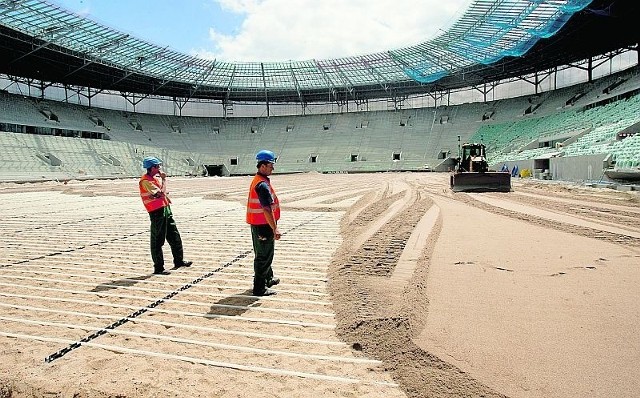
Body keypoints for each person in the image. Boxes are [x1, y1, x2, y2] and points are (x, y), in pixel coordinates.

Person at [139, 156, 192, 275]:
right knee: (157, 240)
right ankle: (158, 267)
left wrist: (162, 193)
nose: (159, 168)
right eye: (157, 166)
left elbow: (160, 194)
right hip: (156, 212)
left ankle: (179, 261)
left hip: (165, 209)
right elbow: (160, 193)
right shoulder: (146, 181)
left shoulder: (153, 179)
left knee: (174, 236)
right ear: (151, 168)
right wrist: (164, 180)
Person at [246, 150, 281, 296]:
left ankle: (268, 278)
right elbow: (267, 210)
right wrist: (275, 229)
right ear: (263, 166)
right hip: (263, 225)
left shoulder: (260, 180)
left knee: (263, 253)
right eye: (270, 165)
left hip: (258, 224)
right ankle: (259, 288)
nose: (272, 168)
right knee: (264, 256)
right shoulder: (262, 185)